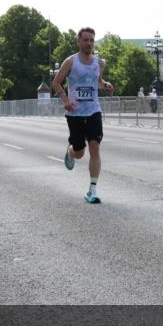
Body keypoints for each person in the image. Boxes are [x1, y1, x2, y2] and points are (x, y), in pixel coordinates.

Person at [51, 27, 115, 203]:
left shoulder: (99, 63)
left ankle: (92, 190)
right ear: (78, 42)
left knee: (95, 147)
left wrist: (106, 84)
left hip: (94, 110)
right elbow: (56, 83)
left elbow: (98, 82)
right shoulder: (70, 62)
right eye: (85, 40)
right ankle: (71, 152)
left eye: (92, 40)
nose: (89, 43)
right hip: (75, 113)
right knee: (80, 152)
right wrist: (65, 100)